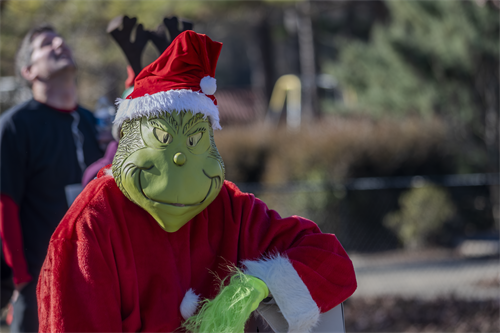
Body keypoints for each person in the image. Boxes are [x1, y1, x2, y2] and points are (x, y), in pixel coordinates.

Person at [37, 31, 356, 332]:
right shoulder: (92, 221)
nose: (179, 159)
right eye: (163, 139)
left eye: (194, 141)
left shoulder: (230, 207)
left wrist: (259, 284)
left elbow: (329, 258)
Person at [0, 24, 103, 332]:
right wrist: (21, 278)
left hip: (95, 276)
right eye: (46, 44)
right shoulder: (14, 126)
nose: (60, 43)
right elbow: (4, 205)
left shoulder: (91, 123)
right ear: (28, 70)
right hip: (38, 281)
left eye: (61, 39)